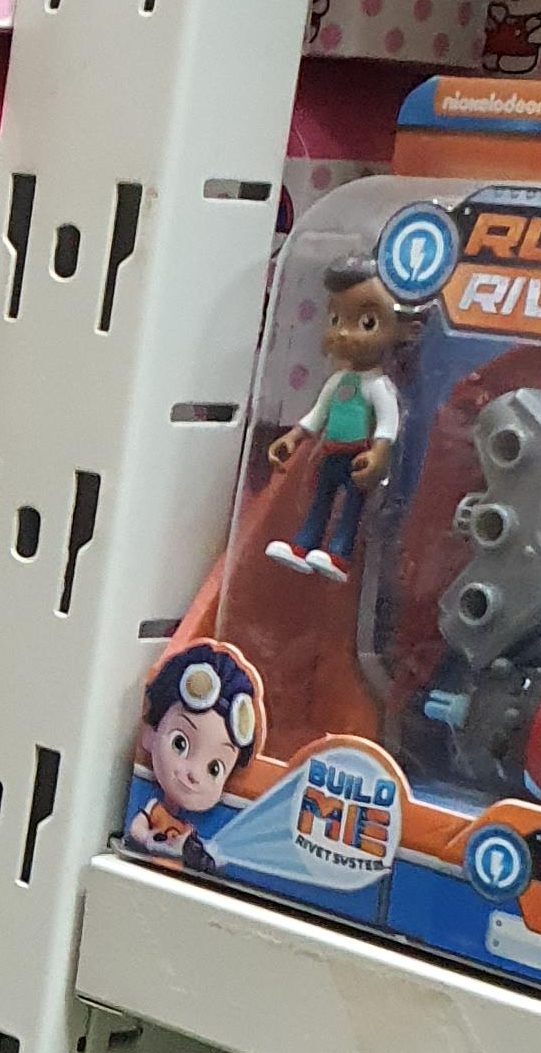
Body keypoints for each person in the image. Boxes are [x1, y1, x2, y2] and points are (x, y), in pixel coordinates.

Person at [266, 256, 413, 581]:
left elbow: (388, 424)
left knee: (351, 509)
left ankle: (340, 554)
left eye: (367, 322)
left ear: (404, 329)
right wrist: (293, 437)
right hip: (330, 454)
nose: (343, 333)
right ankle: (303, 546)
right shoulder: (337, 382)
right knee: (320, 501)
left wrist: (379, 454)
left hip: (357, 458)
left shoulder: (379, 386)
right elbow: (317, 414)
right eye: (335, 319)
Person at [125, 639, 262, 873]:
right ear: (150, 733)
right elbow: (136, 829)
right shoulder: (154, 808)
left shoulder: (189, 829)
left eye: (214, 769)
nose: (194, 774)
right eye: (180, 744)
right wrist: (150, 841)